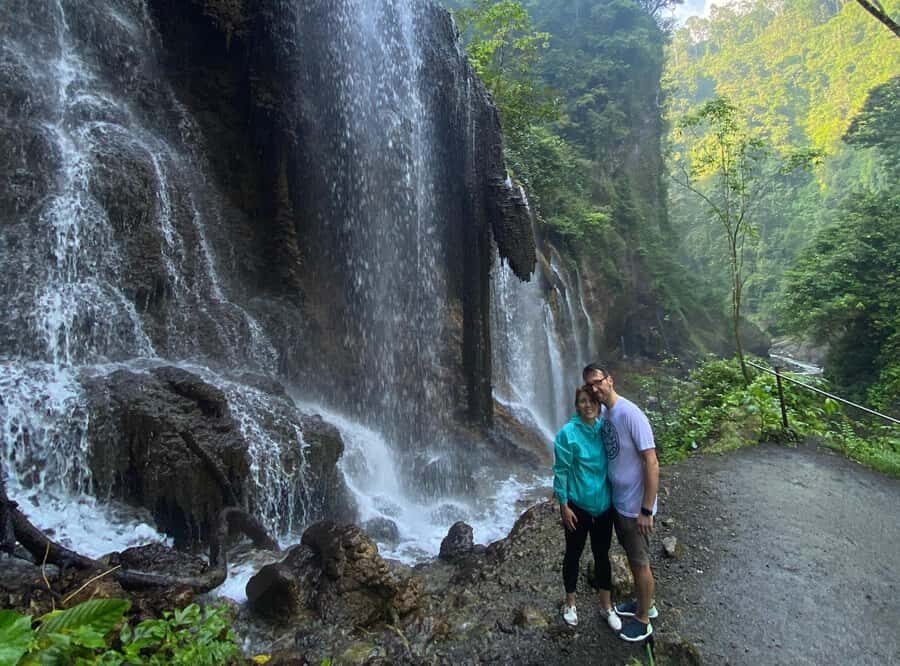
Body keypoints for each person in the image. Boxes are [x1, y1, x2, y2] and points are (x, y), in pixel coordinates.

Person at [584, 362, 660, 643]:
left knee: (640, 563)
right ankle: (646, 604)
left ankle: (643, 620)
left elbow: (651, 462)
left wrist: (646, 509)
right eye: (589, 385)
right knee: (632, 557)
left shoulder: (630, 414)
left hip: (635, 506)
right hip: (618, 502)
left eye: (598, 382)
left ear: (610, 380)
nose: (595, 388)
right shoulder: (605, 413)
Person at [552, 385, 622, 632]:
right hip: (577, 507)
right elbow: (561, 471)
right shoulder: (567, 434)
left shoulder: (604, 430)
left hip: (603, 506)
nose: (588, 405)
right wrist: (563, 505)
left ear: (598, 404)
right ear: (576, 405)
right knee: (573, 554)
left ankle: (606, 606)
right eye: (582, 401)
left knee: (602, 555)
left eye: (592, 400)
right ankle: (570, 603)